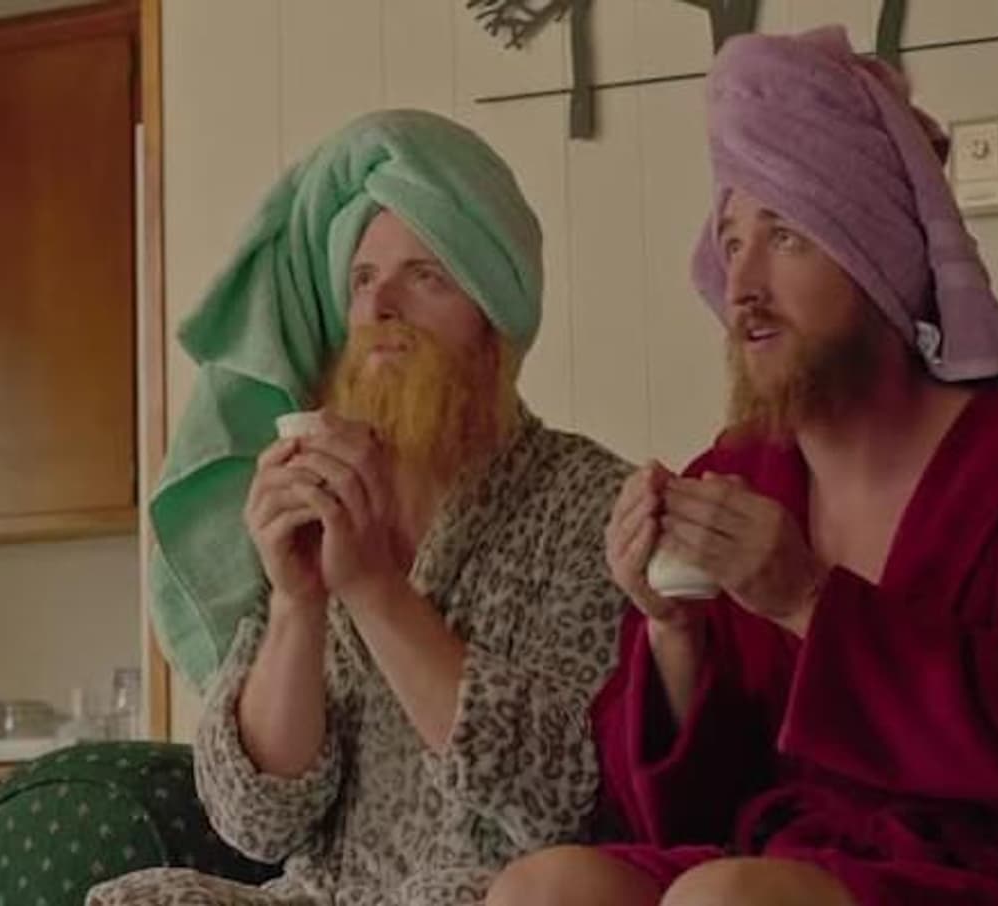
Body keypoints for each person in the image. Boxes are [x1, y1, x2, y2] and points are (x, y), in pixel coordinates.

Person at [488, 27, 998, 906]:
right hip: (789, 859)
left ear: (874, 250)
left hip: (993, 876)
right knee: (545, 885)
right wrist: (673, 631)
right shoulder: (739, 472)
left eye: (786, 236)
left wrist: (807, 600)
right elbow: (681, 814)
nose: (741, 285)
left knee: (724, 900)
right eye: (731, 240)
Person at [90, 109, 631, 906]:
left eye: (426, 276)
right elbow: (255, 822)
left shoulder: (590, 502)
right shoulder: (320, 496)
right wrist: (297, 602)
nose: (381, 307)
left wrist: (377, 591)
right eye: (364, 279)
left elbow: (558, 794)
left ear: (494, 319)